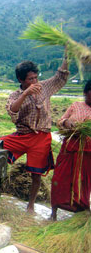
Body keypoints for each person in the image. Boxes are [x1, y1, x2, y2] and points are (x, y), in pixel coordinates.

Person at [0, 50, 69, 214]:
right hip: (22, 136)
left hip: (41, 137)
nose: (35, 81)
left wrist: (67, 58)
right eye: (30, 79)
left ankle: (30, 204)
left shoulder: (44, 87)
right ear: (21, 80)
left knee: (36, 174)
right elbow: (12, 111)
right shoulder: (15, 94)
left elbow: (60, 78)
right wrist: (25, 94)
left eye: (36, 78)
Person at [51, 80, 91, 220]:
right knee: (60, 177)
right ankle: (54, 211)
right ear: (85, 93)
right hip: (69, 148)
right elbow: (60, 121)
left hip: (87, 152)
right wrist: (67, 123)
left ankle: (81, 212)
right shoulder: (76, 105)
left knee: (83, 181)